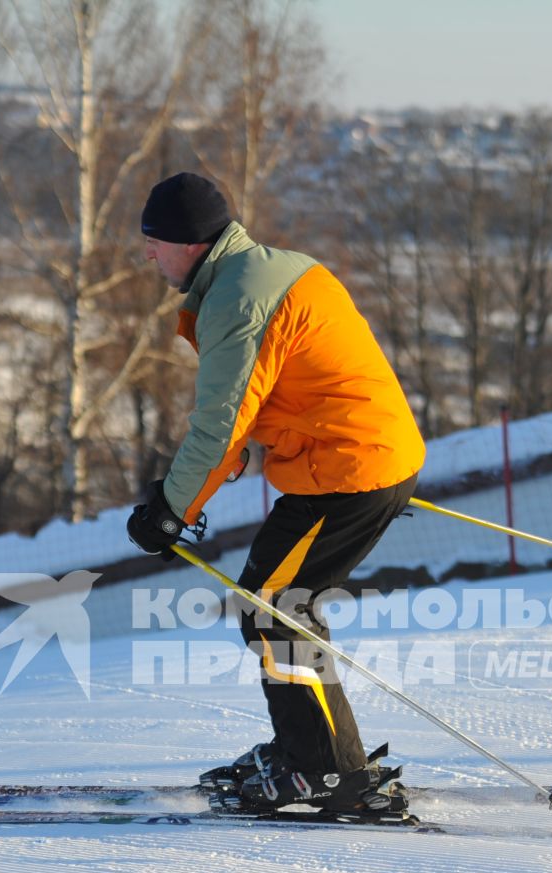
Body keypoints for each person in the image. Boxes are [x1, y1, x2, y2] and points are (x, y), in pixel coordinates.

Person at [126, 171, 425, 815]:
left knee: (274, 611)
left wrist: (170, 512)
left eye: (154, 241)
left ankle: (325, 773)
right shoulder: (268, 271)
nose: (148, 254)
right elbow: (271, 396)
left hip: (348, 472)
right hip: (349, 460)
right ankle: (310, 755)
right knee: (278, 608)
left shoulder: (238, 298)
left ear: (189, 242)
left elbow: (221, 422)